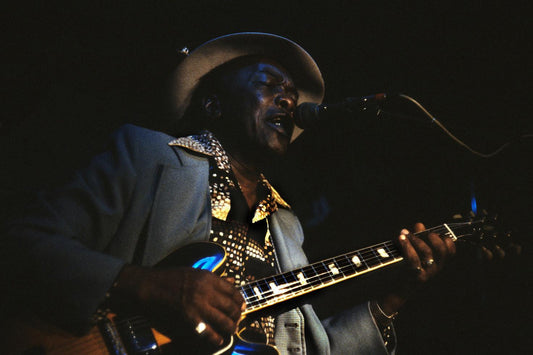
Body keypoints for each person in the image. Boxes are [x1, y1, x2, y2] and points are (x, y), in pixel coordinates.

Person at [2, 33, 455, 354]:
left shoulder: (287, 224)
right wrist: (144, 286)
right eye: (268, 84)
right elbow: (22, 244)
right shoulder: (144, 153)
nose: (288, 101)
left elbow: (307, 348)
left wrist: (394, 298)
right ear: (213, 105)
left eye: (292, 94)